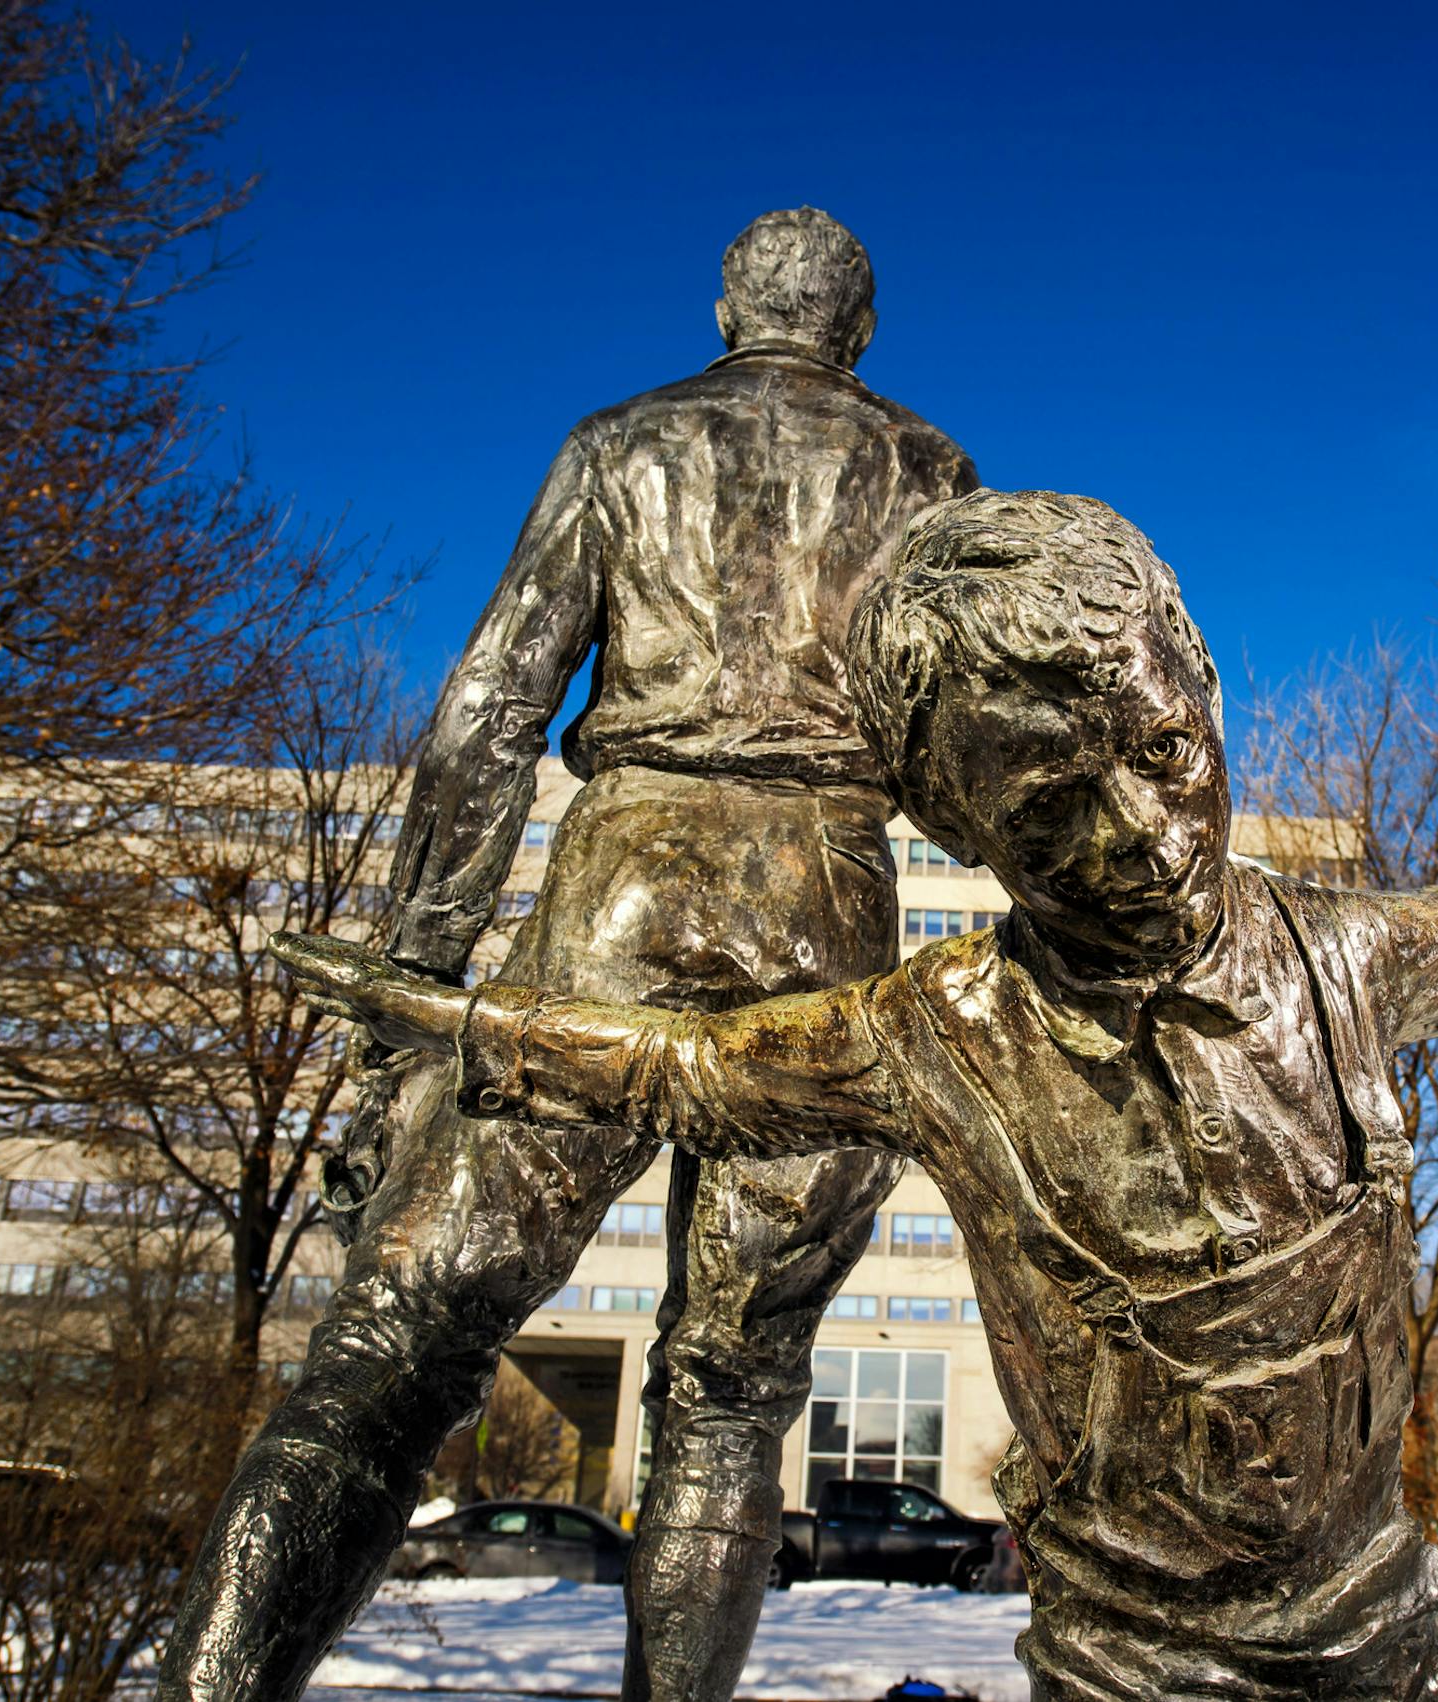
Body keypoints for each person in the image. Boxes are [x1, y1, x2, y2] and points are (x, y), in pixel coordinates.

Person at [276, 487, 1438, 1701]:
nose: (1140, 834)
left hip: (1384, 1637)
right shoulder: (941, 1030)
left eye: (1159, 753)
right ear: (959, 827)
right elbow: (690, 1069)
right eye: (1052, 808)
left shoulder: (1352, 959)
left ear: (1202, 686)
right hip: (1131, 1670)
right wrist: (458, 1023)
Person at [160, 208, 976, 1702]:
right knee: (730, 1406)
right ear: (860, 331)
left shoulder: (619, 444)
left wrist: (417, 986)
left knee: (393, 1346)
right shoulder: (932, 479)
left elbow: (488, 713)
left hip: (620, 894)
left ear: (728, 307)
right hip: (831, 918)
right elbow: (971, 757)